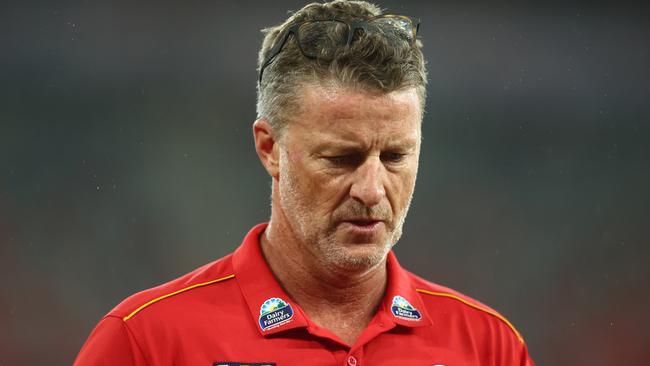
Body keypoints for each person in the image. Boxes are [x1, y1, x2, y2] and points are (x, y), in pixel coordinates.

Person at [75, 1, 535, 365]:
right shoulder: (145, 342)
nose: (373, 190)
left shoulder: (488, 348)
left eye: (395, 156)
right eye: (342, 157)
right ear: (269, 149)